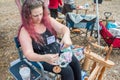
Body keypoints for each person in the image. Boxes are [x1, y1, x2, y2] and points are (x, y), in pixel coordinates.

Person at [18, 0, 82, 80]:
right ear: (27, 15)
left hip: (58, 51)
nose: (39, 18)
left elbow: (63, 28)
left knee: (75, 62)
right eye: (35, 15)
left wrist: (66, 36)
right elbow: (28, 54)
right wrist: (44, 58)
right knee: (67, 71)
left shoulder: (47, 19)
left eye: (41, 14)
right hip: (43, 58)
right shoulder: (25, 31)